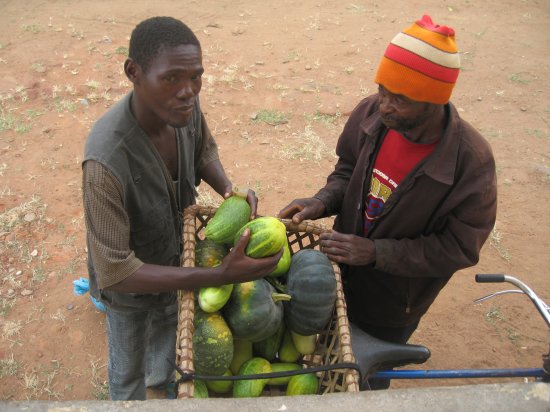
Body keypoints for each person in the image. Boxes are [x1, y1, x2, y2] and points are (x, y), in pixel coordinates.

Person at [278, 15, 497, 389]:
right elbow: (347, 170)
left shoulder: (470, 163)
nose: (384, 106)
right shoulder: (371, 115)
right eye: (382, 90)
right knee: (323, 343)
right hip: (340, 270)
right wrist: (321, 201)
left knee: (365, 375)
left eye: (400, 99)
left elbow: (459, 247)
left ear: (434, 102)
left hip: (394, 302)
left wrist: (376, 252)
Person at [82, 16, 281, 401]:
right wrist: (218, 274)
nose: (188, 90)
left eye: (196, 77)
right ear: (133, 72)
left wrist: (228, 189)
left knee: (168, 335)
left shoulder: (182, 109)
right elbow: (117, 272)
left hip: (176, 258)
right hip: (131, 292)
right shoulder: (105, 162)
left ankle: (159, 379)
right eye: (172, 77)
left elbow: (203, 149)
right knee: (127, 367)